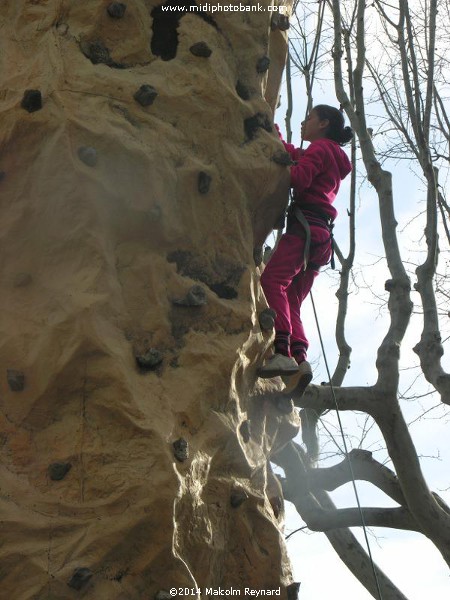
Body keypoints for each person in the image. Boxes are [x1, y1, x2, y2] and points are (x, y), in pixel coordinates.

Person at [258, 105, 353, 394]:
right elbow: (294, 156)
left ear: (324, 123)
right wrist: (273, 137)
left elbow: (298, 178)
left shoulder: (321, 148)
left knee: (272, 281)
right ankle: (301, 362)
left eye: (309, 117)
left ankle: (283, 352)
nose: (303, 121)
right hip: (321, 239)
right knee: (292, 298)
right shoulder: (330, 154)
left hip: (304, 230)